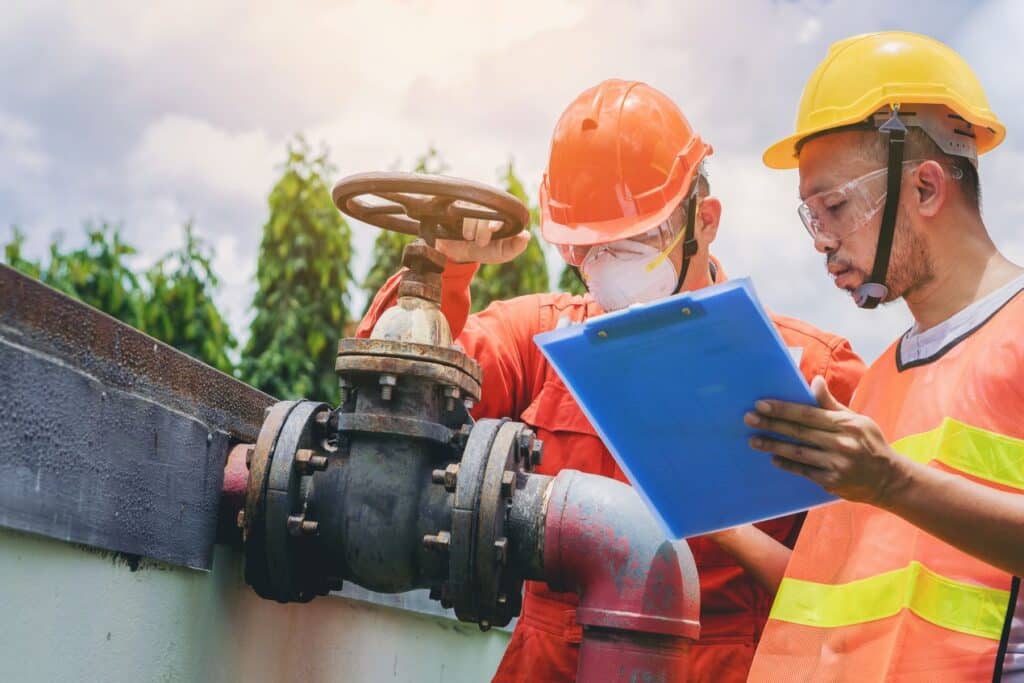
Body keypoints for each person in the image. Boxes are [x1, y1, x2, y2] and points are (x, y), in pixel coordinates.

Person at [356, 79, 865, 682]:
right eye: (585, 249)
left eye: (632, 243)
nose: (603, 268)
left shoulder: (811, 372)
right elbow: (389, 407)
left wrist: (718, 522)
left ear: (704, 221)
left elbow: (858, 606)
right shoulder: (542, 342)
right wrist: (445, 272)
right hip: (547, 662)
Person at [719, 31, 1024, 681]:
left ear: (925, 190)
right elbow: (834, 605)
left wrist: (890, 479)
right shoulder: (878, 383)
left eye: (835, 207)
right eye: (810, 217)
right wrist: (708, 514)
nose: (821, 242)